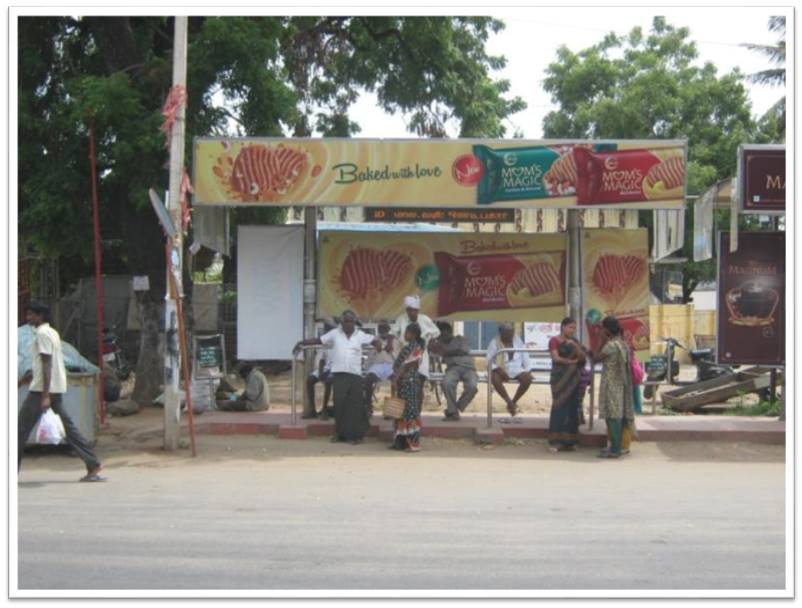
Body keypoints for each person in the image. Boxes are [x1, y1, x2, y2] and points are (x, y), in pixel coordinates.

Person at [18, 302, 105, 482]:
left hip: (41, 391)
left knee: (19, 431)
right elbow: (42, 364)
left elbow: (47, 364)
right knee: (68, 428)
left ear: (41, 316)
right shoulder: (52, 333)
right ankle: (92, 464)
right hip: (54, 388)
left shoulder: (42, 334)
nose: (28, 318)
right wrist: (24, 381)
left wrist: (44, 396)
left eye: (31, 315)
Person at [294, 311, 381, 445]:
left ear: (354, 322)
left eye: (350, 321)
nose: (348, 324)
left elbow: (374, 339)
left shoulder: (360, 335)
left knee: (355, 406)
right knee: (340, 405)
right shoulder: (335, 333)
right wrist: (302, 343)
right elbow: (319, 340)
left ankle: (356, 436)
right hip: (339, 374)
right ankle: (339, 434)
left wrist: (377, 343)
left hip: (355, 374)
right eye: (345, 321)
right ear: (341, 322)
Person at [589, 316, 637, 459]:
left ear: (607, 330)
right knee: (620, 415)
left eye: (602, 329)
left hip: (611, 383)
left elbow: (594, 359)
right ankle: (619, 446)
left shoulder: (610, 346)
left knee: (612, 416)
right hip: (622, 384)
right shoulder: (623, 344)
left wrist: (599, 341)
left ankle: (615, 449)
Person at [547, 317, 587, 452]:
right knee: (559, 406)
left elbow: (582, 359)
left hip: (573, 379)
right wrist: (570, 362)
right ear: (563, 327)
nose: (572, 330)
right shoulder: (554, 341)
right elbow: (555, 357)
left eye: (574, 328)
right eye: (570, 327)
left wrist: (576, 347)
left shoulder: (575, 342)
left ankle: (570, 441)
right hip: (559, 378)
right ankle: (555, 441)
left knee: (572, 407)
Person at [392, 295, 440, 401]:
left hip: (420, 355)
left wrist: (432, 339)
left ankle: (416, 413)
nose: (411, 313)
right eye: (409, 310)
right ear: (406, 310)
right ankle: (403, 412)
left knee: (419, 384)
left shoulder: (425, 319)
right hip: (405, 354)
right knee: (402, 385)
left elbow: (436, 332)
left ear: (418, 310)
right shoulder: (401, 318)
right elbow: (393, 333)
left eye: (414, 310)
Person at [429, 321, 478, 421]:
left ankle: (455, 408)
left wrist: (445, 352)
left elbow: (463, 350)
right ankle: (453, 412)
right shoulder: (439, 343)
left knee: (472, 387)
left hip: (469, 368)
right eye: (441, 334)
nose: (443, 336)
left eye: (445, 333)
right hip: (453, 368)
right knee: (446, 383)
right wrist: (433, 341)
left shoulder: (461, 339)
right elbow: (431, 349)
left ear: (449, 332)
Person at [389, 323, 426, 452]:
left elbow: (406, 365)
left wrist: (396, 378)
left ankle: (413, 443)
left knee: (409, 412)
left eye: (407, 332)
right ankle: (401, 442)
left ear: (413, 334)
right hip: (407, 382)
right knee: (404, 412)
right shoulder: (412, 347)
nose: (405, 334)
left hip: (408, 381)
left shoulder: (415, 347)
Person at [486, 323, 532, 417]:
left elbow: (525, 355)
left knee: (528, 378)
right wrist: (498, 369)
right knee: (494, 378)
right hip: (501, 368)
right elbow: (489, 360)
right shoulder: (494, 342)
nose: (511, 335)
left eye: (512, 332)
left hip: (516, 368)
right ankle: (508, 400)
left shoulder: (517, 339)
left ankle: (513, 402)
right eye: (508, 333)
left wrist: (528, 369)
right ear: (501, 333)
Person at [364, 320, 399, 417]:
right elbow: (370, 357)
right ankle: (368, 407)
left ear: (388, 329)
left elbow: (398, 357)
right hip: (377, 365)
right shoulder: (375, 340)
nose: (383, 330)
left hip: (391, 365)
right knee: (368, 379)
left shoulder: (394, 340)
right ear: (378, 329)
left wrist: (390, 348)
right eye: (381, 328)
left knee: (396, 380)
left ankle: (391, 411)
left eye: (385, 328)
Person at [304, 317, 336, 420]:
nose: (326, 329)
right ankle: (312, 410)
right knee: (310, 380)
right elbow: (322, 359)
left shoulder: (338, 339)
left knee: (329, 380)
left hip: (337, 369)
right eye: (325, 327)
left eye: (328, 327)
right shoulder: (324, 339)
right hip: (326, 367)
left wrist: (327, 372)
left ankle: (324, 409)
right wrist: (321, 371)